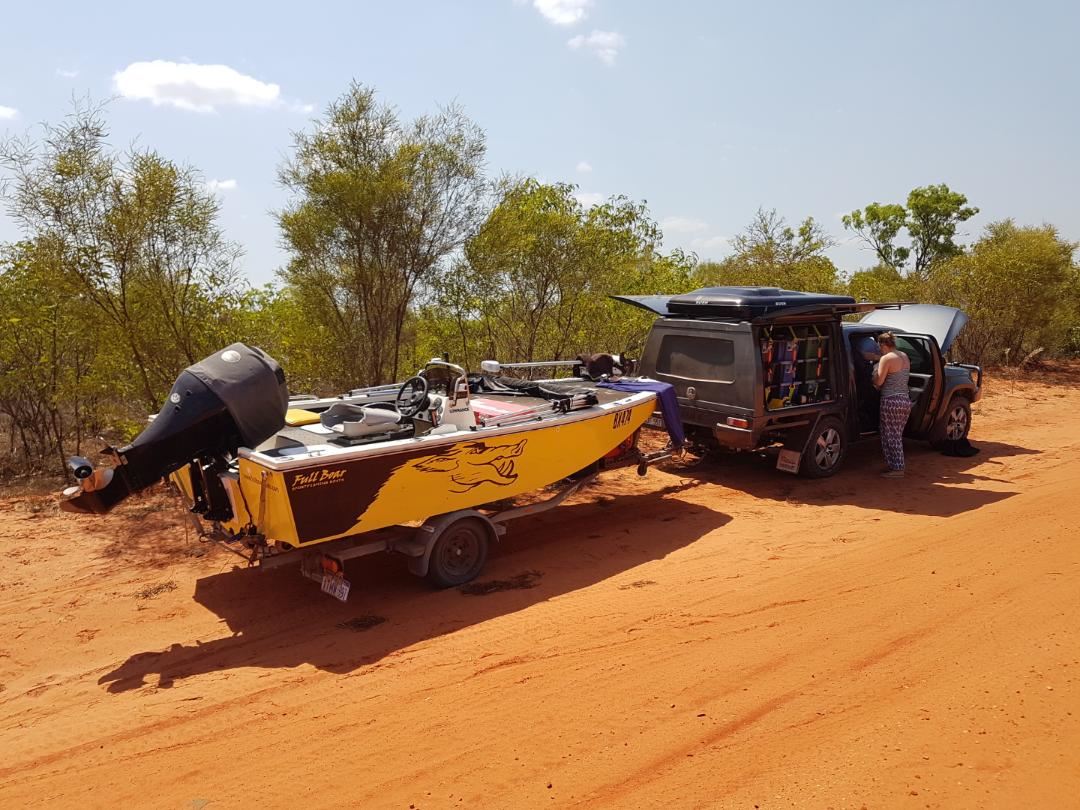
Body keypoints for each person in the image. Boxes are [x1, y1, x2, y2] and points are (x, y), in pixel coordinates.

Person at [872, 332, 911, 477]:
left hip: (890, 401)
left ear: (883, 345)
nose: (879, 349)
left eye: (879, 346)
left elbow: (879, 381)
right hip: (905, 400)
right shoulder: (904, 356)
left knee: (890, 436)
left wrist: (874, 372)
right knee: (897, 435)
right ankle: (895, 467)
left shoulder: (886, 358)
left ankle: (898, 469)